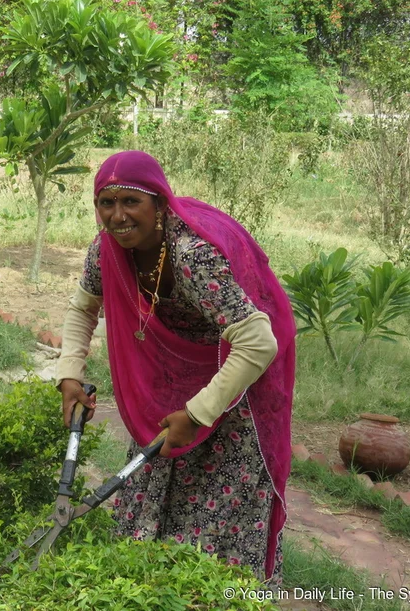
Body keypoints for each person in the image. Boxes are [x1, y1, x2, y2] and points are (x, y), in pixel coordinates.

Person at [56, 150, 295, 585]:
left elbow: (258, 342)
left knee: (215, 533)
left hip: (235, 383)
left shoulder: (192, 258)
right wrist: (70, 374)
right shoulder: (106, 250)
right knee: (146, 497)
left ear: (160, 205)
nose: (118, 216)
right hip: (171, 389)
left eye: (131, 202)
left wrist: (199, 413)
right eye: (106, 203)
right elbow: (83, 309)